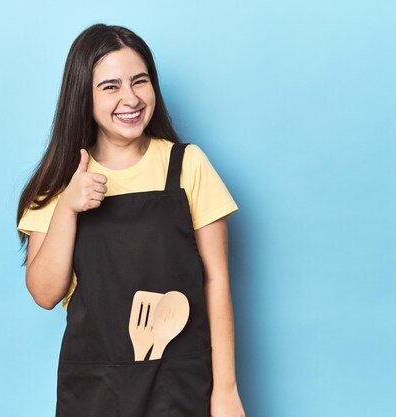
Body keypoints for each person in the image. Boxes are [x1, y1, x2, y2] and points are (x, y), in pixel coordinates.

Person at [16, 23, 246, 417]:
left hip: (181, 382)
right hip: (94, 389)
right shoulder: (59, 182)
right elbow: (45, 293)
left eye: (139, 81)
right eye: (110, 86)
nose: (130, 98)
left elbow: (216, 279)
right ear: (82, 96)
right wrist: (68, 207)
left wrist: (225, 391)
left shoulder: (187, 165)